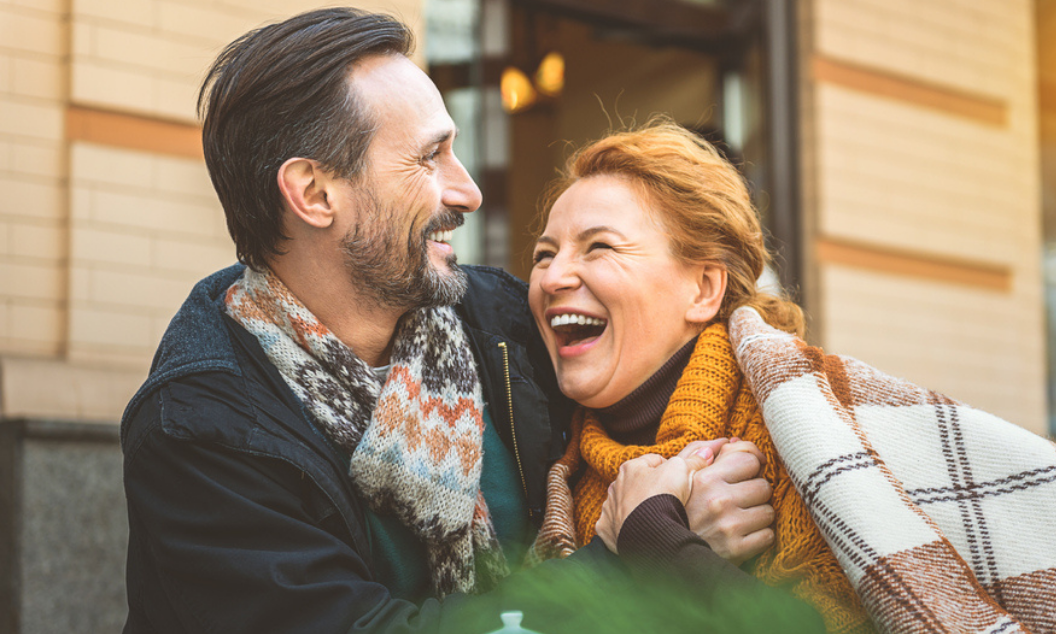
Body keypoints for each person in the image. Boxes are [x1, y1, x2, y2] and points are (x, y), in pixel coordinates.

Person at [119, 9, 803, 634]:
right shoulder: (200, 428)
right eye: (429, 157)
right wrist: (631, 559)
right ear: (314, 193)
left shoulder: (501, 321)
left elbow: (663, 363)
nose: (468, 190)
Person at [527, 121, 1056, 634]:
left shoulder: (811, 438)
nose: (554, 277)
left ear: (704, 287)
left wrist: (656, 541)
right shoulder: (554, 470)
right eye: (544, 254)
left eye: (600, 246)